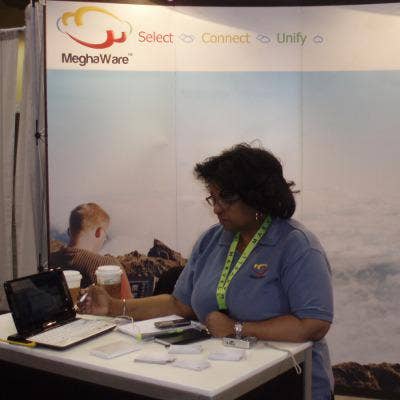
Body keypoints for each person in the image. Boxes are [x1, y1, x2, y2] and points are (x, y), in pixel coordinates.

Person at [80, 144, 333, 399]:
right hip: (219, 378)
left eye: (226, 199)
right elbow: (179, 304)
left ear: (257, 196)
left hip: (287, 383)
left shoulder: (296, 245)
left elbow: (313, 324)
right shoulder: (212, 240)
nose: (217, 208)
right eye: (213, 198)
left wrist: (237, 328)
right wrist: (114, 307)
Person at [49, 202, 132, 299]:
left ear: (69, 231)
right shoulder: (110, 266)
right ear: (99, 232)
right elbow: (128, 306)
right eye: (105, 235)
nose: (104, 239)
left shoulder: (50, 261)